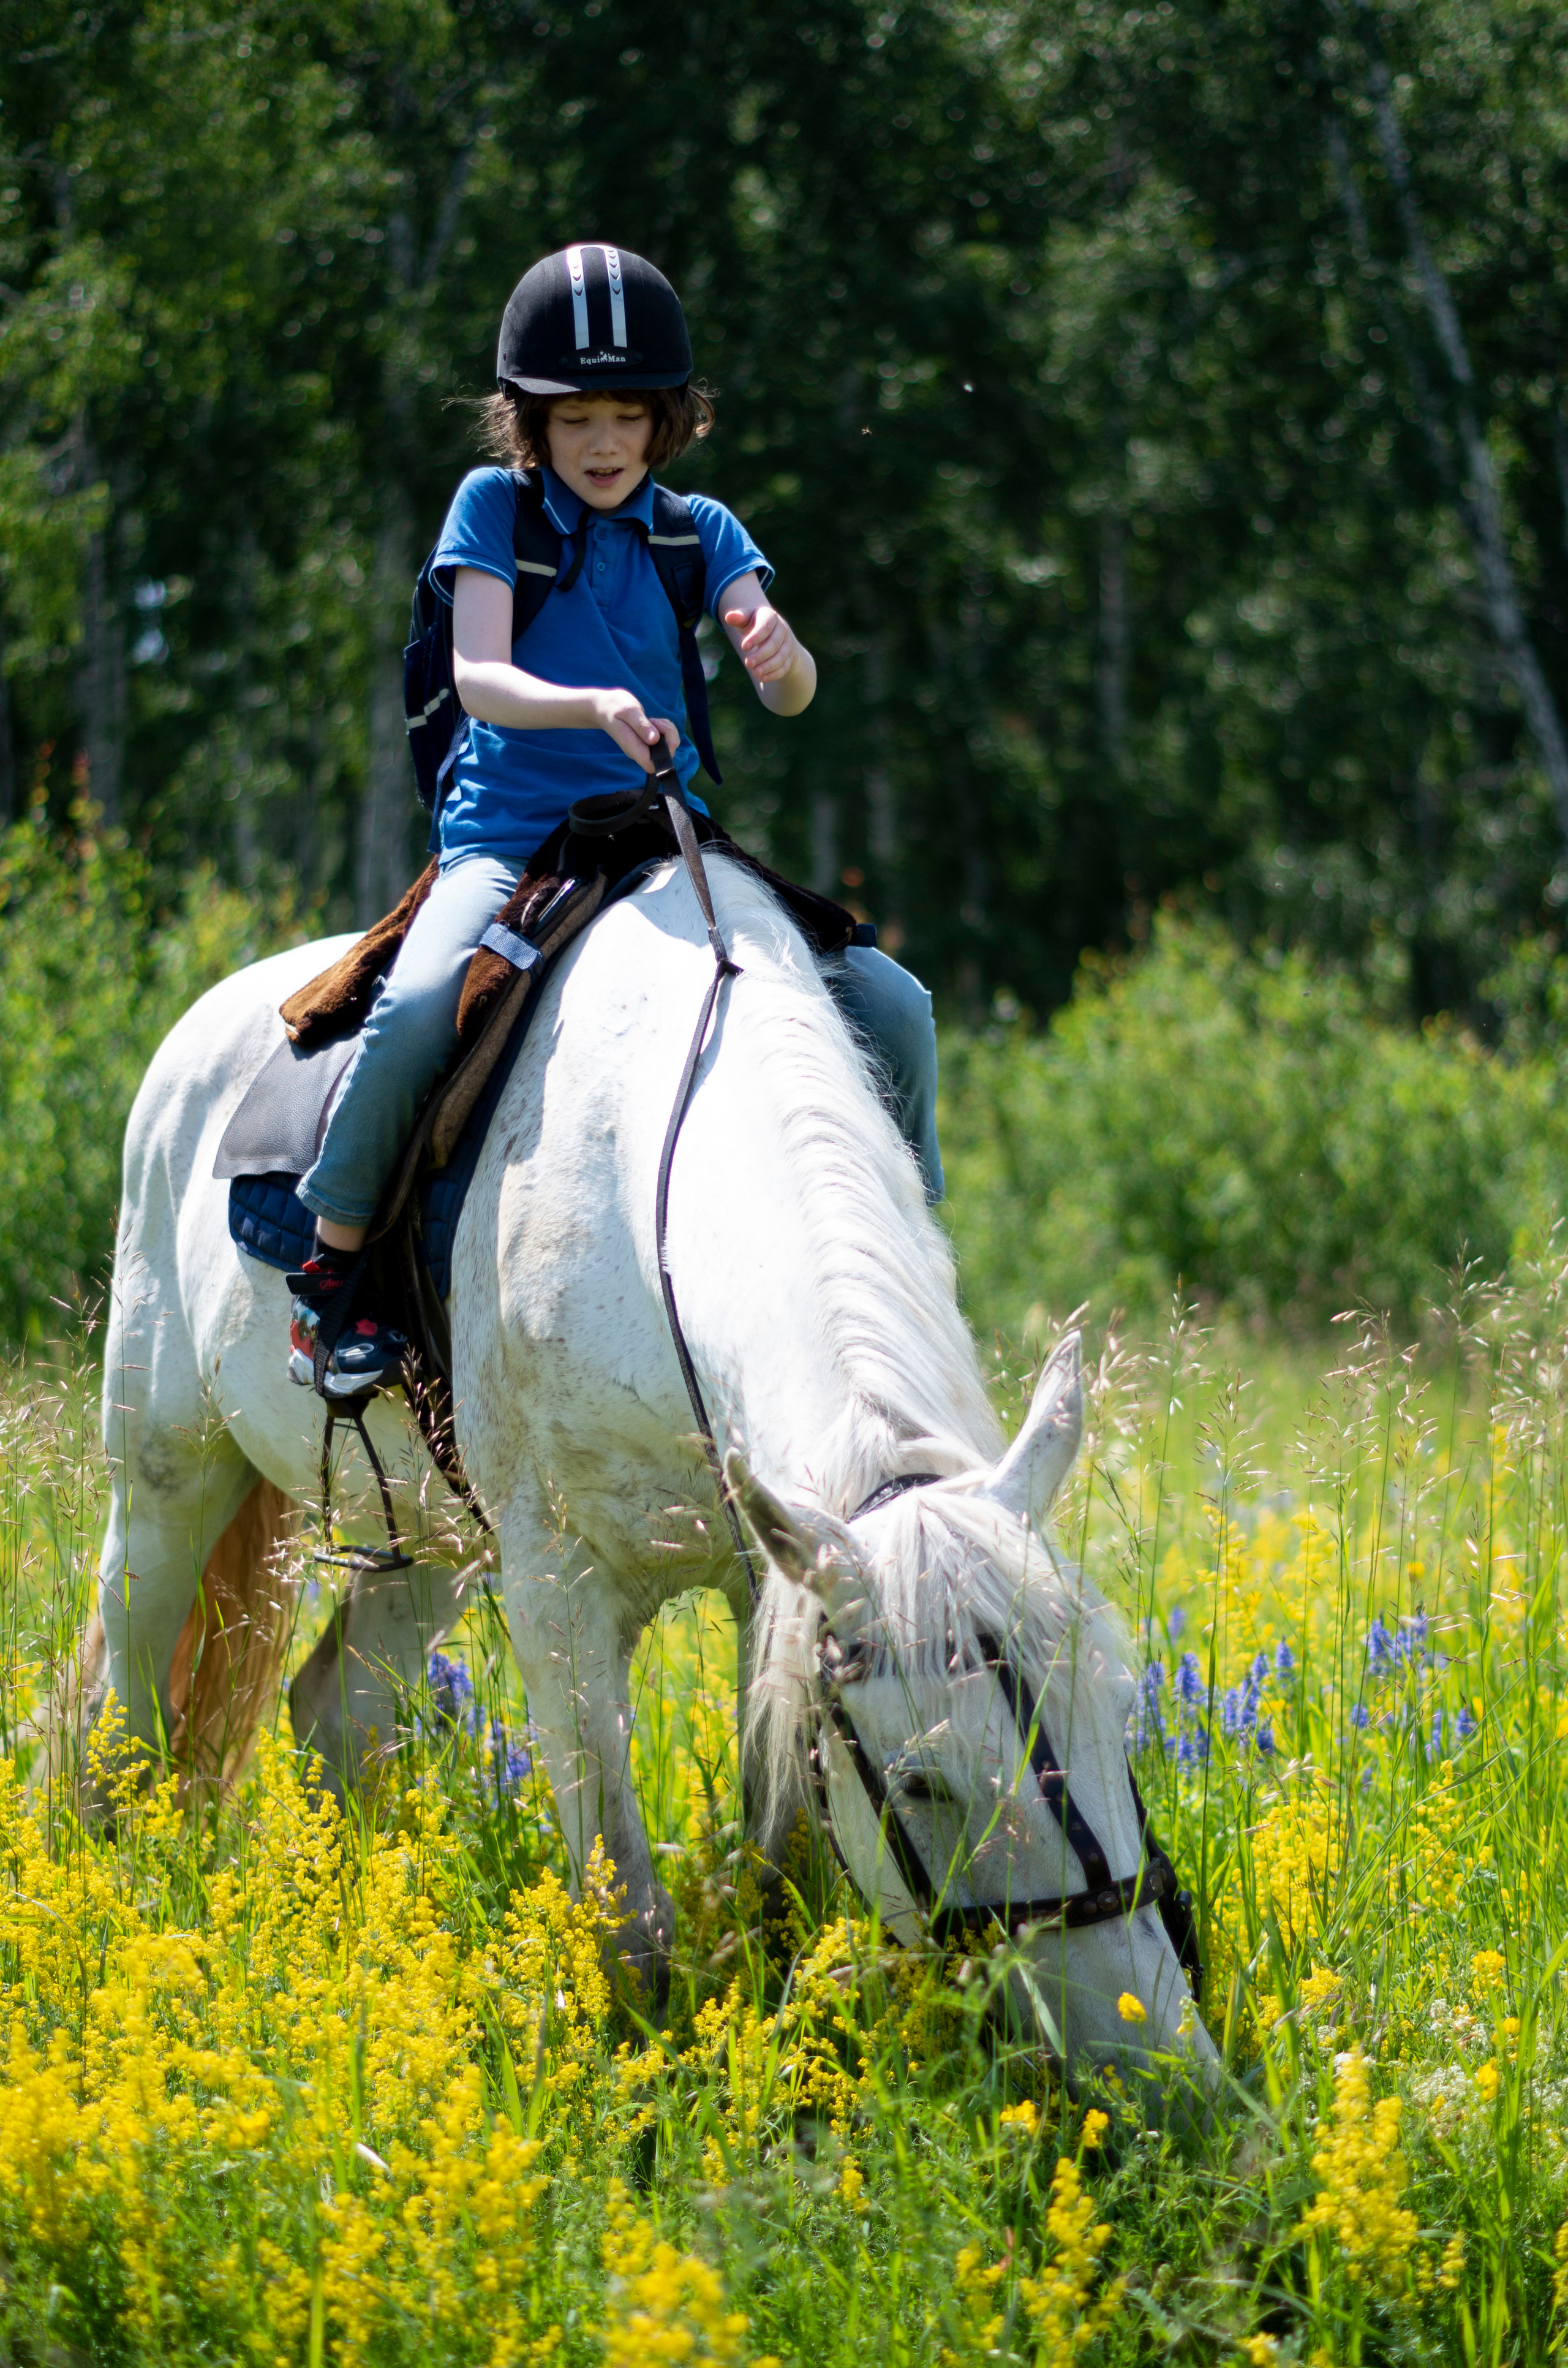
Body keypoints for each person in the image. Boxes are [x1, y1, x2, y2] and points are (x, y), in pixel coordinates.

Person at [287, 243, 943, 1396]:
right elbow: (480, 673)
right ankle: (334, 1275)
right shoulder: (495, 507)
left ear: (666, 423)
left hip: (659, 841)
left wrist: (781, 658)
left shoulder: (700, 530)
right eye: (576, 416)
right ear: (529, 420)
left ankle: (914, 1258)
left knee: (896, 1003)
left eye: (628, 417)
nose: (602, 443)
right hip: (512, 841)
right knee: (420, 1004)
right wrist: (594, 702)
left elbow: (789, 687)